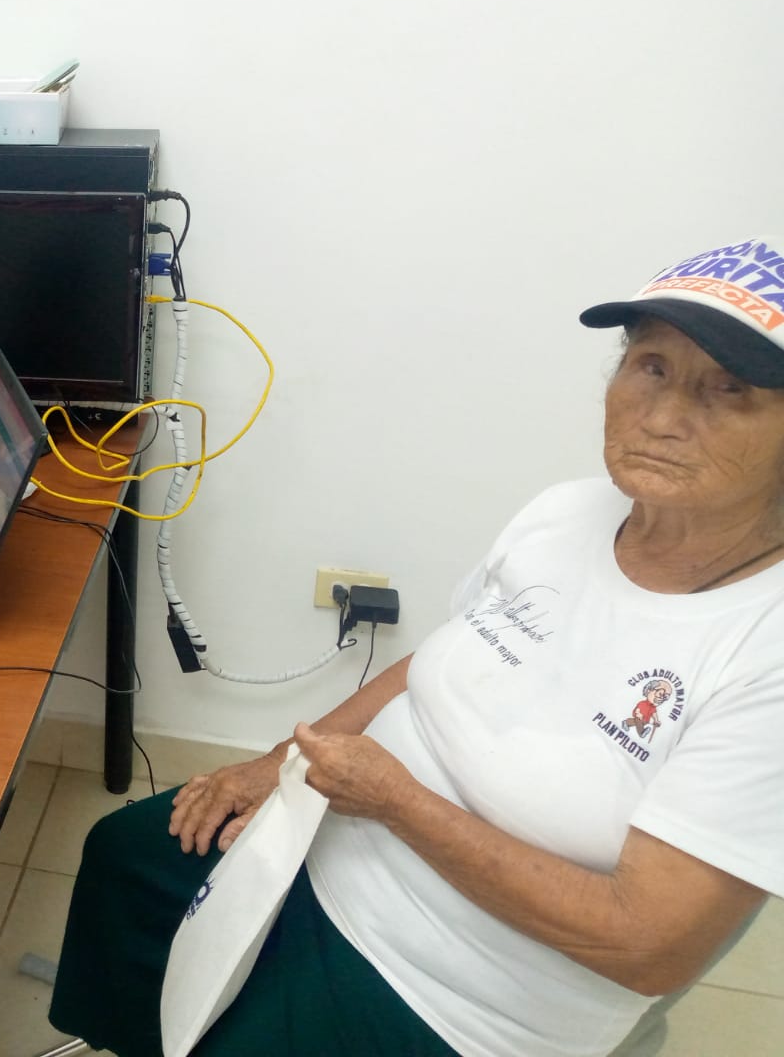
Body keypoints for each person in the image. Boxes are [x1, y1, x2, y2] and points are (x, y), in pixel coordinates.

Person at [49, 236, 784, 1057]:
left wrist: (398, 802)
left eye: (730, 390)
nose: (663, 418)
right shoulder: (568, 513)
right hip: (325, 839)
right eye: (651, 367)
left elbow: (649, 947)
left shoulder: (764, 649)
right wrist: (279, 764)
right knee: (126, 856)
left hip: (457, 994)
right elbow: (438, 658)